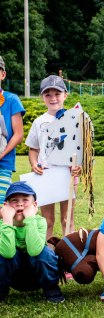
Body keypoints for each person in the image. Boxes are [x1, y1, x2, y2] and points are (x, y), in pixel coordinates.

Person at [25, 75, 81, 240]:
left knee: (67, 219)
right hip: (45, 174)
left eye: (57, 93)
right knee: (47, 220)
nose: (53, 98)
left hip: (67, 174)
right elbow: (33, 149)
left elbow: (81, 149)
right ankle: (47, 255)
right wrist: (34, 163)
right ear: (42, 97)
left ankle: (69, 255)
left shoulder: (75, 119)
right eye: (47, 94)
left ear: (65, 94)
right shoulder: (39, 122)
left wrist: (79, 166)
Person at [0, 181, 64, 303]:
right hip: (13, 277)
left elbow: (35, 251)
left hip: (38, 276)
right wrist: (7, 221)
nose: (20, 204)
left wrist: (30, 219)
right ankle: (1, 290)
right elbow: (7, 254)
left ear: (35, 205)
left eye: (25, 200)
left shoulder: (40, 222)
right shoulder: (2, 225)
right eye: (14, 200)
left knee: (45, 252)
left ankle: (51, 288)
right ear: (5, 205)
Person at [0, 55, 25, 206]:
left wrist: (1, 154)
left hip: (4, 163)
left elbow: (18, 134)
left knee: (1, 205)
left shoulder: (11, 100)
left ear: (3, 74)